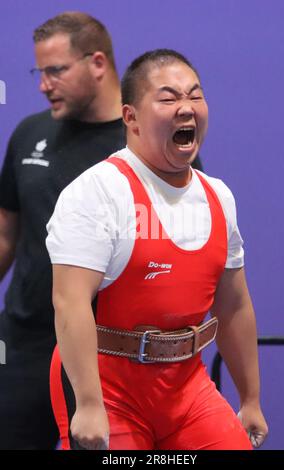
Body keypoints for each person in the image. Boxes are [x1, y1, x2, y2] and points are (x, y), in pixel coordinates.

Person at [46, 49, 268, 451]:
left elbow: (233, 304)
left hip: (186, 387)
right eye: (168, 99)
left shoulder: (219, 197)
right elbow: (69, 300)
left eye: (195, 96)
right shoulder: (97, 192)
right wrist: (90, 404)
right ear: (130, 117)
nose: (186, 107)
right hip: (109, 388)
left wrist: (250, 399)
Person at [0, 12, 126, 450]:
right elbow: (6, 235)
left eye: (56, 71)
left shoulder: (148, 145)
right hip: (25, 347)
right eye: (39, 71)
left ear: (97, 64)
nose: (43, 84)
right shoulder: (29, 133)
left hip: (109, 356)